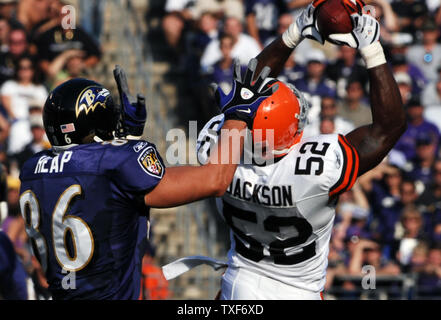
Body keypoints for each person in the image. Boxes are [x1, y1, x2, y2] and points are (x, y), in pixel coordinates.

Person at [165, 0, 406, 299]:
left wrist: (293, 33)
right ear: (291, 131)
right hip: (299, 292)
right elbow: (389, 127)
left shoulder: (218, 150)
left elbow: (246, 93)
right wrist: (372, 50)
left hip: (240, 285)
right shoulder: (317, 168)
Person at [17, 62, 273, 300]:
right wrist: (237, 118)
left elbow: (98, 189)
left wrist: (125, 141)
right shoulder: (114, 161)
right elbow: (215, 180)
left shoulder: (32, 169)